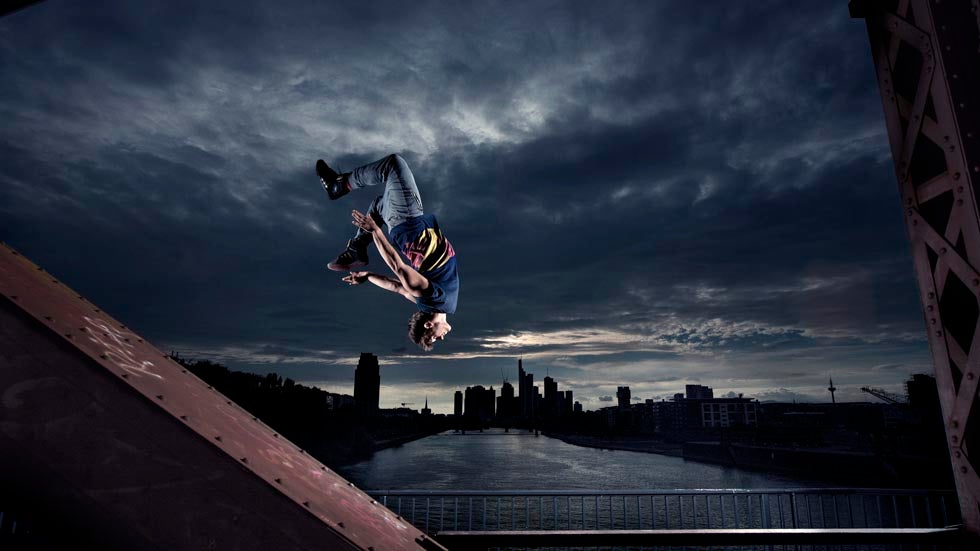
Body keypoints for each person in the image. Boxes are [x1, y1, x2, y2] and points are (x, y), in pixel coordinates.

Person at [316, 153, 458, 351]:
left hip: (408, 221)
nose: (441, 339)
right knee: (377, 206)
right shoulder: (427, 302)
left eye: (433, 338)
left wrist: (375, 231)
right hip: (406, 225)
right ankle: (357, 249)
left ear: (428, 325)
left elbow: (398, 267)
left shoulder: (430, 296)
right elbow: (395, 287)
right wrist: (368, 276)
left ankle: (338, 185)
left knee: (393, 164)